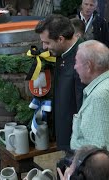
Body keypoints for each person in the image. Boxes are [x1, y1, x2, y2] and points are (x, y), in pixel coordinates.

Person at [35, 14, 85, 152]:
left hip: (76, 143)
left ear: (61, 39)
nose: (44, 47)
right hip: (65, 137)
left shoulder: (83, 60)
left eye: (47, 42)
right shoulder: (62, 53)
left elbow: (83, 109)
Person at [70, 40, 109, 150]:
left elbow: (100, 151)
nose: (75, 67)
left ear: (88, 66)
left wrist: (72, 167)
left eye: (76, 62)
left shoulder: (99, 97)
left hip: (89, 166)